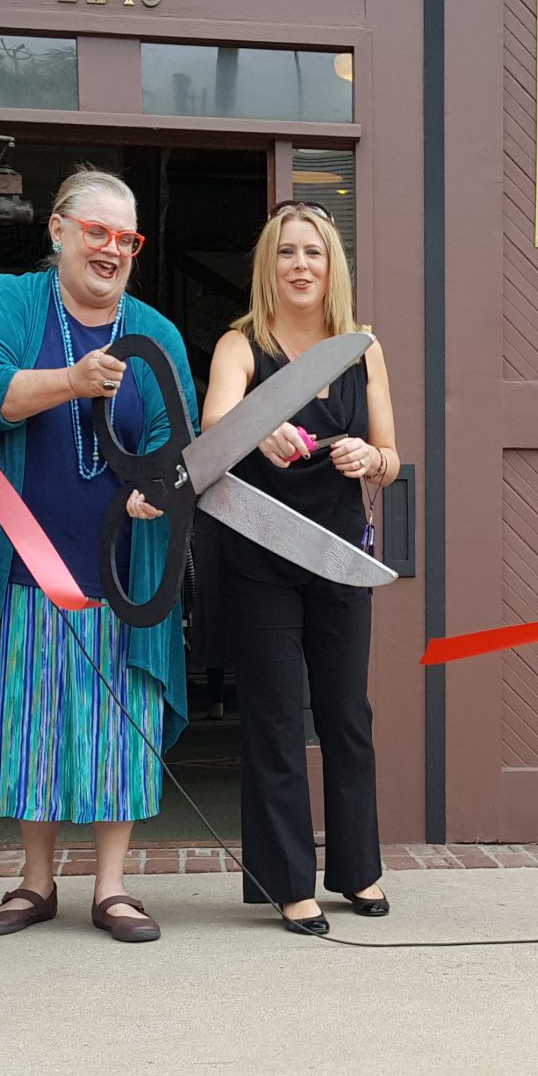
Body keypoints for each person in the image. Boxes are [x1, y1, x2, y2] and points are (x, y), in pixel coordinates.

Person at [0, 168, 196, 945]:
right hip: (27, 562)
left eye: (126, 239)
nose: (112, 250)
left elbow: (179, 444)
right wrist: (71, 378)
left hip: (122, 567)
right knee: (30, 716)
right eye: (97, 232)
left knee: (116, 721)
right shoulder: (13, 302)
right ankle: (35, 881)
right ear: (57, 229)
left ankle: (114, 887)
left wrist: (158, 490)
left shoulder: (155, 331)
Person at [204, 200, 402, 936]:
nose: (300, 265)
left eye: (313, 253)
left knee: (348, 716)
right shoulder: (240, 344)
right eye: (287, 252)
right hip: (261, 556)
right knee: (278, 720)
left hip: (341, 557)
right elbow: (214, 428)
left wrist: (367, 458)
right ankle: (290, 882)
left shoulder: (362, 348)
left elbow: (391, 454)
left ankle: (358, 869)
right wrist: (262, 431)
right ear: (269, 264)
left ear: (332, 265)